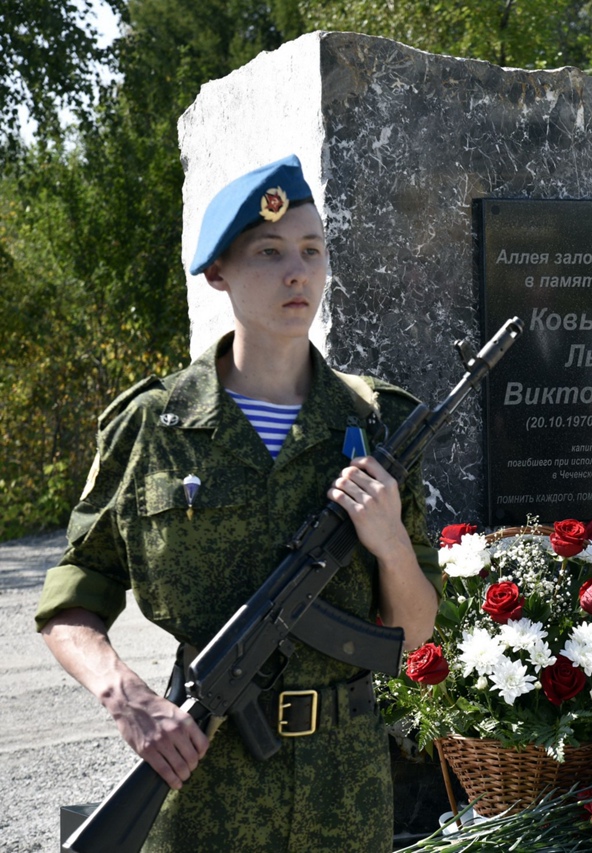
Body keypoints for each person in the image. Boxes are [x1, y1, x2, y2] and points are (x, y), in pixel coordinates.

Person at [34, 155, 440, 851]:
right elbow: (73, 597)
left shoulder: (378, 425)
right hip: (203, 779)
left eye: (313, 251)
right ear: (218, 271)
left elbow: (415, 632)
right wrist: (127, 698)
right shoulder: (151, 426)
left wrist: (390, 543)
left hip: (344, 791)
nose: (298, 273)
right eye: (271, 251)